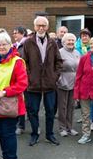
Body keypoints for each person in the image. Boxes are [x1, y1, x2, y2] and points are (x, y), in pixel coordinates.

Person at [23, 16, 63, 146]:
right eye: (38, 25)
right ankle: (34, 133)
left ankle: (49, 134)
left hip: (49, 84)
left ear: (47, 27)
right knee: (33, 110)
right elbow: (24, 63)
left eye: (43, 25)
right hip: (33, 84)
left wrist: (54, 76)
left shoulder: (53, 42)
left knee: (50, 110)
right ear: (34, 27)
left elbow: (59, 62)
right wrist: (29, 78)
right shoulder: (28, 42)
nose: (41, 28)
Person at [57, 33, 80, 137]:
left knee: (71, 106)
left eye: (72, 40)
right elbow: (55, 68)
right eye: (68, 40)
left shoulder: (77, 52)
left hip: (74, 82)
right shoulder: (59, 52)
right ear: (64, 42)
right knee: (62, 106)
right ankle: (62, 128)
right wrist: (59, 79)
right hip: (63, 81)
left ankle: (70, 127)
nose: (71, 42)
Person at [12, 26, 27, 134]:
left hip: (24, 78)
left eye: (16, 33)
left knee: (22, 102)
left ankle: (21, 125)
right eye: (13, 33)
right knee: (16, 102)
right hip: (14, 78)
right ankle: (17, 124)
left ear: (22, 34)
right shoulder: (14, 46)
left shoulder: (26, 45)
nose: (14, 35)